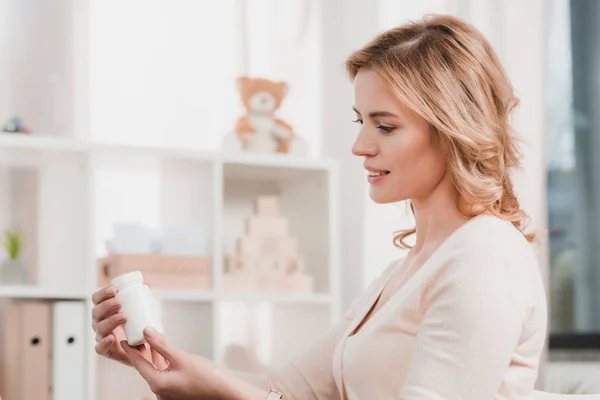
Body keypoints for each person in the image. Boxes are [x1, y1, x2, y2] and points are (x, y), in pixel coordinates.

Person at [91, 14, 547, 400]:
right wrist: (168, 364)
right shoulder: (406, 271)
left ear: (453, 130)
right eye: (360, 121)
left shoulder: (484, 259)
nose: (359, 146)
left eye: (385, 127)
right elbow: (286, 389)